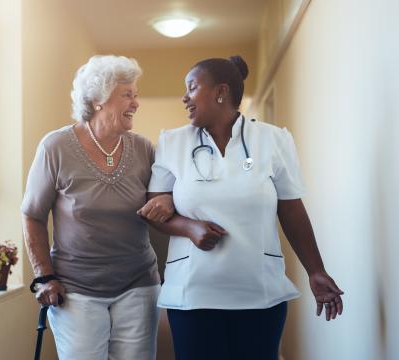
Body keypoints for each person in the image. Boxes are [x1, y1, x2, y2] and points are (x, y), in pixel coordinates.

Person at [137, 55, 344, 360]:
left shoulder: (274, 140)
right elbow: (154, 210)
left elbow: (291, 210)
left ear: (221, 91)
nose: (185, 98)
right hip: (193, 294)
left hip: (259, 293)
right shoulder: (173, 142)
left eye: (192, 88)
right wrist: (189, 228)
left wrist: (316, 270)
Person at [21, 55, 172, 360]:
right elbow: (33, 215)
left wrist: (166, 200)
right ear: (98, 100)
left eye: (136, 94)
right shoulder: (56, 147)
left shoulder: (143, 148)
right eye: (127, 94)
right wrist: (44, 276)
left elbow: (164, 199)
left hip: (138, 283)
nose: (136, 102)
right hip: (76, 289)